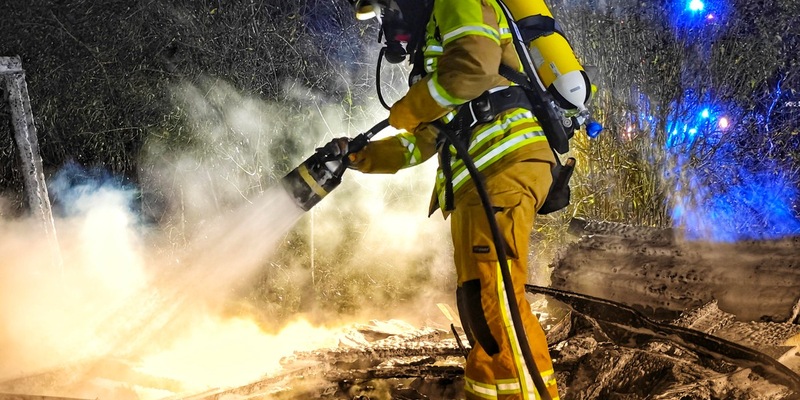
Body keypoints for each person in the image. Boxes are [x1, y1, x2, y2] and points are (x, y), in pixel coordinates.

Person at [332, 0, 561, 398]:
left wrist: (412, 105)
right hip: (478, 182)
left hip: (504, 164)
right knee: (480, 311)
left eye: (386, 10)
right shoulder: (433, 50)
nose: (390, 26)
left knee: (497, 306)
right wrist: (364, 157)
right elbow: (425, 140)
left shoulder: (455, 2)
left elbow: (476, 66)